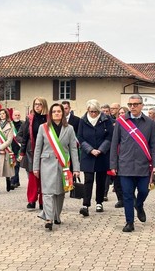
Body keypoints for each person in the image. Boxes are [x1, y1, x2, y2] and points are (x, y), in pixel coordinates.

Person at [110, 94, 155, 232]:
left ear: (142, 106)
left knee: (144, 190)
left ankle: (139, 205)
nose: (132, 107)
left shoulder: (149, 123)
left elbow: (154, 145)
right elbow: (114, 144)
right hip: (125, 165)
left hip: (144, 165)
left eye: (136, 104)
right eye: (130, 104)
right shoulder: (121, 122)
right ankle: (129, 222)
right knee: (127, 194)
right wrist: (113, 165)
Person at [33, 103, 80, 231]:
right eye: (54, 112)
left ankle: (56, 215)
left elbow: (73, 149)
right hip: (47, 163)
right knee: (47, 192)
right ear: (50, 114)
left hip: (63, 164)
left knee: (60, 192)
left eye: (59, 111)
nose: (57, 113)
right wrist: (35, 167)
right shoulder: (43, 128)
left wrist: (76, 169)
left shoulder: (69, 128)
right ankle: (48, 219)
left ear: (63, 113)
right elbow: (37, 148)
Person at [78, 99, 113, 216]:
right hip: (88, 155)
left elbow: (109, 137)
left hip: (102, 155)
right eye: (91, 111)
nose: (93, 113)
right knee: (88, 180)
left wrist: (101, 149)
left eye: (95, 112)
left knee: (101, 180)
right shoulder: (83, 120)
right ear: (88, 110)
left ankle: (99, 202)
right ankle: (85, 204)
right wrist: (90, 150)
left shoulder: (106, 120)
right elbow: (80, 138)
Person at [18, 97, 48, 210]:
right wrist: (22, 152)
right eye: (35, 104)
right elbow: (24, 136)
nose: (37, 106)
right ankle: (32, 200)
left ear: (44, 105)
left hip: (46, 151)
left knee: (44, 177)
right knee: (33, 176)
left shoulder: (48, 118)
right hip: (32, 150)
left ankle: (43, 201)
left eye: (40, 104)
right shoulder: (30, 119)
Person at [0, 108, 14, 194]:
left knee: (6, 169)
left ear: (6, 115)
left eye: (3, 114)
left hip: (6, 150)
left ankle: (8, 183)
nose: (2, 115)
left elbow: (9, 140)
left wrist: (1, 147)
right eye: (0, 114)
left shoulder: (10, 126)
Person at [10, 109, 23, 188]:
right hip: (11, 146)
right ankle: (16, 181)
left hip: (20, 147)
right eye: (15, 115)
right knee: (13, 164)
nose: (17, 116)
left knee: (17, 165)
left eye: (18, 115)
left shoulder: (23, 124)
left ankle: (13, 181)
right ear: (12, 116)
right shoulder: (10, 124)